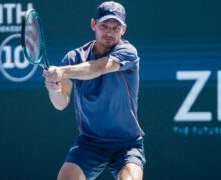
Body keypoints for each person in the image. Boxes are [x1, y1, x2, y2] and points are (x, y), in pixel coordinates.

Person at [43, 1, 146, 180]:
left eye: (116, 28)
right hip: (90, 143)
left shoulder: (128, 52)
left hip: (127, 144)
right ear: (93, 24)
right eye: (104, 26)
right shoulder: (74, 57)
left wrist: (61, 71)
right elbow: (61, 103)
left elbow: (98, 68)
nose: (109, 32)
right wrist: (54, 88)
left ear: (124, 29)